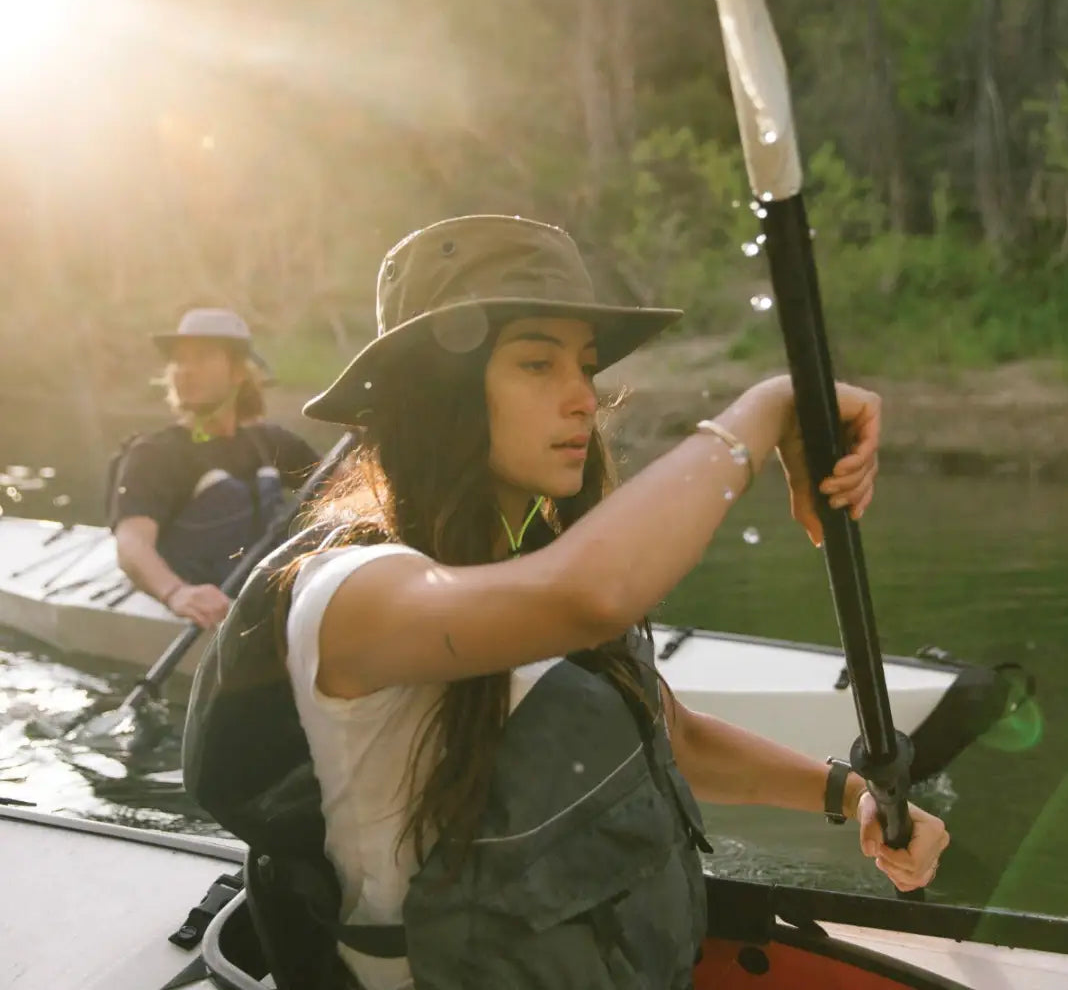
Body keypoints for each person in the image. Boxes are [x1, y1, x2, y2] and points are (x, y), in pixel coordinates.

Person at [195, 216, 949, 990]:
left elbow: (674, 735)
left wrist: (853, 793)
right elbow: (586, 594)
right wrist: (764, 413)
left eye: (584, 368)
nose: (583, 400)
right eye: (535, 363)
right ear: (438, 389)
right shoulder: (348, 594)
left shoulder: (527, 551)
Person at [111, 307, 321, 630]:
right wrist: (177, 593)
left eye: (203, 357)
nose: (185, 370)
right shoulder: (155, 454)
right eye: (180, 360)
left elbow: (346, 491)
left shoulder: (273, 444)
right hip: (201, 605)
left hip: (270, 602)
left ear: (238, 372)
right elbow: (131, 544)